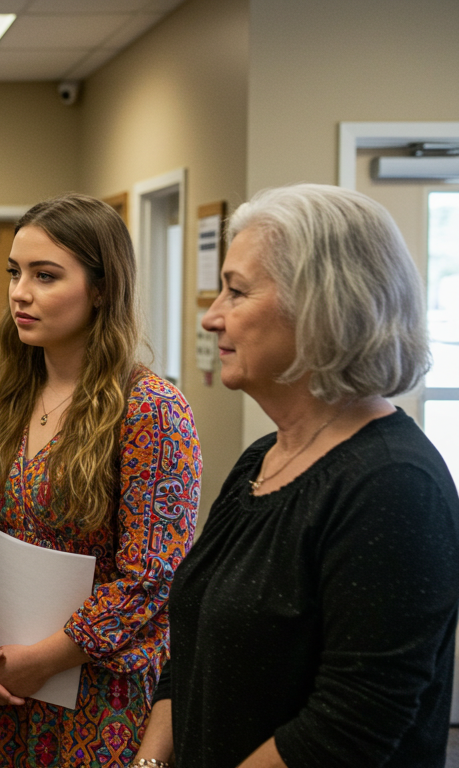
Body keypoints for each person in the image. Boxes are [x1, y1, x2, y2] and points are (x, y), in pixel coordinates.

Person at [132, 184, 459, 768]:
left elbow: (349, 727)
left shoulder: (393, 486)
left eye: (236, 292)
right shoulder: (261, 459)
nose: (211, 317)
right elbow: (193, 649)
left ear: (322, 305)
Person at [0, 193, 201, 767]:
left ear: (103, 289)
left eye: (45, 275)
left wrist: (47, 658)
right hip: (0, 682)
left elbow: (149, 581)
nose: (20, 292)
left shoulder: (150, 410)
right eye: (15, 272)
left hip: (97, 695)